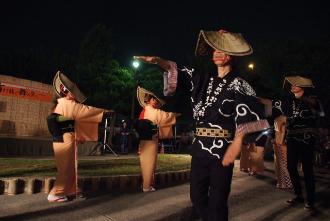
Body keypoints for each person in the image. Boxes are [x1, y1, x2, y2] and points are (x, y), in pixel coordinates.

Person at [135, 29, 269, 221]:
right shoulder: (202, 80)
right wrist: (158, 61)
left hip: (223, 151)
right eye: (215, 49)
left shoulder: (240, 84)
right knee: (196, 197)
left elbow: (253, 118)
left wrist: (237, 144)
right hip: (200, 149)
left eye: (223, 50)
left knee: (218, 200)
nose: (218, 53)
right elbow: (179, 72)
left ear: (231, 55)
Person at [46, 71, 111, 202]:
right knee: (65, 168)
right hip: (64, 140)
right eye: (72, 91)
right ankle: (55, 193)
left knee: (70, 166)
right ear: (66, 92)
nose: (74, 94)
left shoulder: (61, 104)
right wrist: (104, 113)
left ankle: (70, 189)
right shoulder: (69, 104)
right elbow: (86, 111)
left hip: (63, 139)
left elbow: (76, 119)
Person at [262, 76, 324, 211]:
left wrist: (306, 99)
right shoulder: (289, 101)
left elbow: (321, 113)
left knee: (307, 169)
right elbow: (276, 108)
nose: (292, 86)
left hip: (307, 138)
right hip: (292, 138)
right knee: (290, 167)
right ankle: (299, 195)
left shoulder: (313, 100)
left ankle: (311, 199)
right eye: (292, 85)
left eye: (296, 85)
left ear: (303, 87)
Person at [135, 86, 178, 192]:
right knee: (149, 163)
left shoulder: (145, 110)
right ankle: (146, 186)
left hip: (145, 139)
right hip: (149, 140)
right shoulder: (152, 111)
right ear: (150, 100)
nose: (157, 102)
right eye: (155, 100)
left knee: (148, 163)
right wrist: (174, 116)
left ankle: (148, 183)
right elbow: (165, 117)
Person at [272, 115, 293, 189]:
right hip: (283, 145)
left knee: (282, 165)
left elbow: (279, 133)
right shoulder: (285, 119)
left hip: (281, 145)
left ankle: (285, 183)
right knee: (285, 165)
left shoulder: (278, 120)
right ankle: (285, 183)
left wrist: (278, 142)